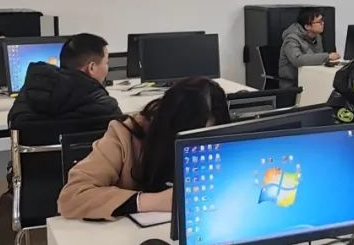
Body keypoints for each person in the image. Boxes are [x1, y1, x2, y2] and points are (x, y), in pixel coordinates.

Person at [58, 77, 229, 219]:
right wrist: (154, 201)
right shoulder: (125, 136)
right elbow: (72, 196)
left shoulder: (224, 140)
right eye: (188, 139)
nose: (197, 150)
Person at [8, 33, 121, 128]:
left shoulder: (27, 95)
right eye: (106, 62)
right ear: (91, 68)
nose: (107, 67)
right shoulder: (107, 108)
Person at [278, 8, 340, 84]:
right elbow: (298, 60)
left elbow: (316, 58)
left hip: (310, 78)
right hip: (292, 84)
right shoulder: (291, 39)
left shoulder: (317, 37)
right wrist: (327, 57)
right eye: (319, 22)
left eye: (322, 20)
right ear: (307, 26)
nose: (323, 23)